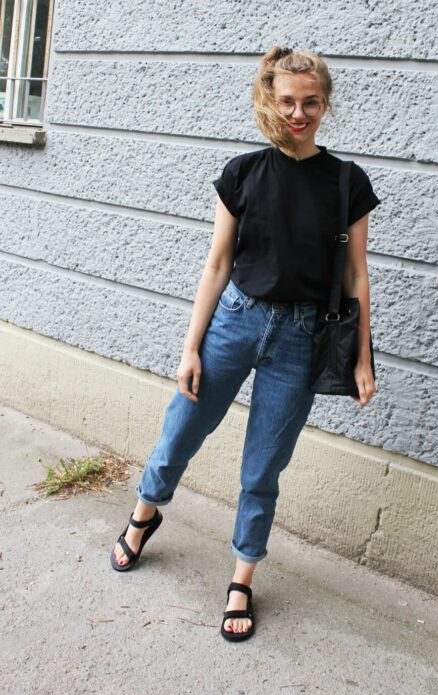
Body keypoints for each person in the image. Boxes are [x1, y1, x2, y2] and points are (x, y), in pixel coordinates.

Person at [110, 45, 381, 642]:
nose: (299, 113)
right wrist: (190, 346)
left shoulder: (347, 182)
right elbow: (216, 265)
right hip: (234, 321)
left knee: (264, 466)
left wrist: (362, 356)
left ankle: (241, 577)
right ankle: (146, 511)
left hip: (301, 337)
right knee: (181, 427)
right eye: (287, 101)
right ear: (269, 100)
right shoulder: (242, 173)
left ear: (324, 103)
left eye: (310, 102)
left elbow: (357, 276)